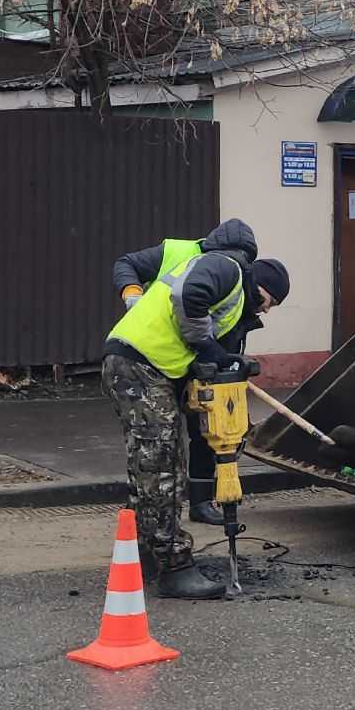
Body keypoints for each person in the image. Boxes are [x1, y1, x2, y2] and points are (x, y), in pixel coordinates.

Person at [103, 225, 290, 599]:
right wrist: (206, 346)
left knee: (151, 468)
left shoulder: (229, 284)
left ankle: (142, 556)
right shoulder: (230, 268)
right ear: (262, 285)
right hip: (140, 366)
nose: (268, 309)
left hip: (139, 366)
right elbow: (190, 295)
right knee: (163, 469)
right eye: (272, 300)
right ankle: (174, 567)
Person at [113, 220, 262, 526]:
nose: (265, 308)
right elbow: (183, 291)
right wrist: (132, 295)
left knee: (168, 452)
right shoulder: (219, 264)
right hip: (149, 356)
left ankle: (175, 519)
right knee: (158, 459)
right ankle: (161, 550)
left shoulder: (226, 271)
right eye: (269, 300)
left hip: (170, 361)